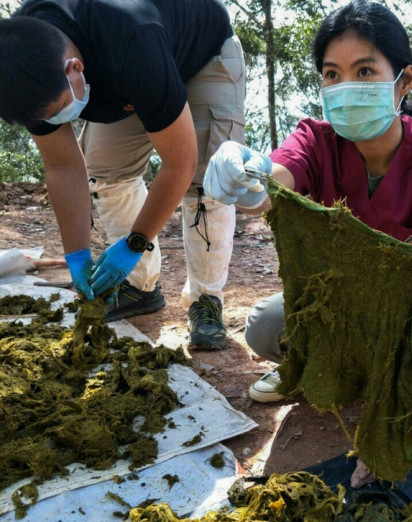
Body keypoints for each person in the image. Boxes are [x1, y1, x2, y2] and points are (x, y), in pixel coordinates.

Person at [203, 0, 412, 401]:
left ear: (404, 80)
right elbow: (271, 185)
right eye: (332, 74)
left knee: (386, 337)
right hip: (331, 307)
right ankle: (329, 370)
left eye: (364, 71)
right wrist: (245, 177)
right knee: (266, 325)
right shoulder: (315, 141)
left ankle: (346, 371)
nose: (346, 87)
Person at [0, 0, 246, 349]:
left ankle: (206, 300)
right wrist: (77, 255)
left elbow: (180, 163)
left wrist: (134, 242)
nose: (58, 123)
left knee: (207, 181)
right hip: (132, 77)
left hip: (200, 54)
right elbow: (62, 166)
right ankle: (138, 286)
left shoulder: (131, 39)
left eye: (58, 112)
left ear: (74, 68)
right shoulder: (24, 60)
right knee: (106, 170)